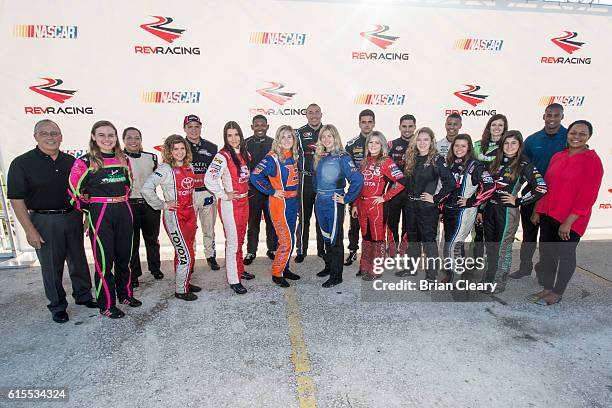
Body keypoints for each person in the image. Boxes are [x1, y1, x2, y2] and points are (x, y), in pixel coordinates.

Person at [7, 119, 96, 323]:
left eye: (54, 133)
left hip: (73, 216)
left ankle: (83, 296)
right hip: (43, 220)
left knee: (79, 261)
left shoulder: (73, 162)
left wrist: (87, 216)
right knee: (51, 266)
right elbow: (16, 200)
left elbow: (85, 192)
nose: (50, 137)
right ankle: (57, 306)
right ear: (36, 137)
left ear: (61, 137)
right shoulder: (22, 163)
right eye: (44, 133)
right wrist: (30, 230)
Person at [68, 120, 140, 319]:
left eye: (111, 135)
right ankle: (106, 304)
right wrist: (89, 210)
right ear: (93, 137)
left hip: (124, 208)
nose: (107, 139)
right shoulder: (84, 161)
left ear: (116, 138)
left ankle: (125, 295)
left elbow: (129, 185)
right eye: (102, 135)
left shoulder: (123, 158)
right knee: (104, 261)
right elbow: (73, 192)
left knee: (125, 258)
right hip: (101, 212)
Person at [528, 120, 603, 305]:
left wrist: (569, 221)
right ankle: (547, 288)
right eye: (573, 133)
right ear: (567, 134)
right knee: (547, 254)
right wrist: (538, 210)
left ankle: (557, 292)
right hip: (548, 214)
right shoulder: (558, 156)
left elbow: (588, 195)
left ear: (589, 137)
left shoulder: (592, 161)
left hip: (571, 220)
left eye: (582, 134)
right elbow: (546, 186)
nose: (576, 137)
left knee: (565, 256)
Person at [482, 131, 547, 293]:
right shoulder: (496, 161)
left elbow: (542, 188)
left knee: (503, 248)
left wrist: (518, 201)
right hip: (489, 209)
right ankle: (488, 277)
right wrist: (481, 208)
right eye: (506, 143)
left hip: (507, 212)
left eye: (513, 143)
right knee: (489, 246)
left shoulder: (524, 164)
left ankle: (499, 282)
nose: (509, 147)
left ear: (520, 146)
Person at [511, 104, 567, 282]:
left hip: (556, 196)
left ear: (562, 117)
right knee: (528, 235)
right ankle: (524, 268)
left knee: (548, 240)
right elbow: (521, 165)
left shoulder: (569, 138)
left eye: (556, 115)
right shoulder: (532, 140)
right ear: (544, 116)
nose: (552, 118)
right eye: (549, 115)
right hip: (532, 193)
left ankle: (544, 271)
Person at [141, 135, 200, 301]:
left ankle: (185, 283)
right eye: (175, 149)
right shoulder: (165, 169)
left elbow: (191, 192)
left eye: (182, 148)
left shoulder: (190, 166)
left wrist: (194, 210)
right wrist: (163, 204)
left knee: (187, 252)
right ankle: (180, 290)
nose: (179, 152)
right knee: (185, 255)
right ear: (169, 151)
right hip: (175, 216)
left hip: (189, 215)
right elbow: (146, 189)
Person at [395, 127, 454, 282]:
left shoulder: (436, 159)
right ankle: (411, 268)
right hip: (411, 206)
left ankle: (431, 277)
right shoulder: (411, 157)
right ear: (415, 141)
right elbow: (405, 181)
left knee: (429, 242)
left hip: (428, 209)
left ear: (431, 141)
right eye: (419, 139)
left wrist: (436, 198)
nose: (422, 143)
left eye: (426, 139)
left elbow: (451, 183)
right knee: (412, 239)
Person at [250, 125, 302, 287]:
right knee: (285, 241)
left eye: (290, 137)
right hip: (280, 204)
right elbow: (255, 176)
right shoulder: (272, 158)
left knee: (290, 239)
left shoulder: (293, 155)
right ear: (277, 140)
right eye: (283, 137)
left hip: (292, 203)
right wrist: (271, 191)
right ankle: (277, 273)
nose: (287, 140)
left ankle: (285, 268)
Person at [205, 121, 253, 294]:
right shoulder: (222, 156)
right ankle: (233, 279)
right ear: (225, 137)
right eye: (229, 135)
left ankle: (239, 270)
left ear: (241, 135)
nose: (233, 139)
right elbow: (209, 179)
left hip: (244, 202)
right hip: (230, 205)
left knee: (240, 239)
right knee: (233, 242)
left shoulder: (244, 153)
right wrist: (224, 195)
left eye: (236, 134)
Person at [313, 124, 363, 287]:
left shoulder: (343, 157)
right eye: (323, 136)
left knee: (335, 239)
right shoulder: (320, 156)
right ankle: (329, 267)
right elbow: (316, 179)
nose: (326, 139)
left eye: (330, 136)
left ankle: (336, 275)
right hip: (320, 202)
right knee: (326, 237)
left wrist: (346, 198)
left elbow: (357, 179)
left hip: (333, 203)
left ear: (336, 138)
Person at [353, 131, 406, 280]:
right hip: (362, 205)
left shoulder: (386, 161)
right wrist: (355, 205)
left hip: (377, 207)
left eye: (377, 142)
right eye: (371, 142)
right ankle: (364, 266)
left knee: (377, 238)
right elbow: (358, 186)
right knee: (365, 237)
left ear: (382, 145)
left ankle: (376, 270)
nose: (373, 145)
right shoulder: (364, 162)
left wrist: (385, 197)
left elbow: (401, 181)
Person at [442, 134, 495, 283]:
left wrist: (472, 201)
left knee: (455, 245)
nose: (459, 149)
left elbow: (490, 187)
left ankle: (459, 280)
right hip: (448, 210)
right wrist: (441, 208)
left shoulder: (475, 165)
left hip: (463, 212)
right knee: (450, 244)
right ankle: (452, 274)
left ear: (469, 148)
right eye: (456, 145)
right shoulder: (450, 163)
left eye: (463, 146)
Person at [123, 127, 163, 288]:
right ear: (123, 140)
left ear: (141, 140)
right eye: (129, 138)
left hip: (149, 205)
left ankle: (155, 268)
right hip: (129, 205)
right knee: (132, 242)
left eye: (137, 138)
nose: (133, 141)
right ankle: (134, 274)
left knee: (152, 239)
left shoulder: (151, 157)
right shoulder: (118, 158)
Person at [184, 114, 220, 271]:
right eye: (190, 127)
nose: (193, 130)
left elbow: (217, 171)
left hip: (207, 193)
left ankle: (210, 256)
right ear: (184, 128)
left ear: (201, 127)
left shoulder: (212, 147)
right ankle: (190, 258)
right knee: (189, 229)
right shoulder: (178, 146)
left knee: (209, 228)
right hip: (188, 195)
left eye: (196, 126)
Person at [472, 114, 508, 267]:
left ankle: (495, 269)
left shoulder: (507, 146)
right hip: (478, 194)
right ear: (489, 127)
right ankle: (476, 263)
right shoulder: (478, 145)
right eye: (494, 125)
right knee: (478, 233)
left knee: (495, 237)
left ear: (504, 128)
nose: (497, 128)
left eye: (500, 125)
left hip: (496, 196)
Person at [244, 115, 277, 265]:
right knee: (253, 224)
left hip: (271, 191)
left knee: (272, 222)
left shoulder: (274, 144)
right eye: (256, 125)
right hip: (253, 192)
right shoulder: (245, 144)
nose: (259, 128)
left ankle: (272, 249)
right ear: (252, 127)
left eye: (262, 125)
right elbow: (242, 168)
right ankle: (251, 251)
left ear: (267, 126)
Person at [294, 103, 325, 263]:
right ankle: (301, 250)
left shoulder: (328, 132)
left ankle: (322, 250)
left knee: (321, 217)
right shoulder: (298, 133)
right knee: (304, 218)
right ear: (306, 115)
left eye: (316, 112)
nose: (314, 115)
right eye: (310, 112)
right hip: (305, 179)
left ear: (321, 114)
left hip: (323, 181)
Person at [344, 109, 375, 266]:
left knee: (373, 224)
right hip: (357, 191)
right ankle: (352, 251)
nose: (367, 125)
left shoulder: (381, 143)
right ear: (359, 123)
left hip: (375, 192)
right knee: (354, 224)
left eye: (370, 122)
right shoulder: (351, 144)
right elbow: (346, 169)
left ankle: (371, 253)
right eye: (364, 122)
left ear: (374, 123)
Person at [386, 114, 416, 256]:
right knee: (392, 223)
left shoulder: (420, 145)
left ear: (414, 127)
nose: (407, 129)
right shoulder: (390, 145)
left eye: (410, 126)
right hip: (394, 192)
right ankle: (392, 251)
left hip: (412, 193)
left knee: (408, 224)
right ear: (399, 127)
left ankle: (404, 252)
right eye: (404, 126)